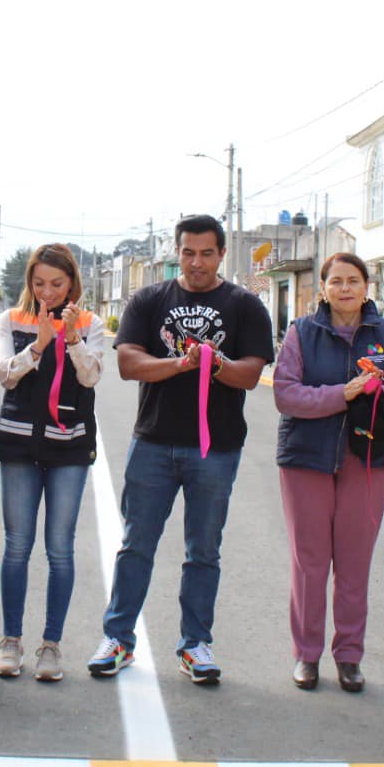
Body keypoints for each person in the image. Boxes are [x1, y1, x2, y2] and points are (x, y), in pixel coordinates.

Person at [88, 214, 273, 684]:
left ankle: (196, 645)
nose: (196, 263)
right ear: (177, 253)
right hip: (152, 442)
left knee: (203, 552)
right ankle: (118, 638)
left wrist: (212, 365)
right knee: (136, 546)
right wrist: (179, 363)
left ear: (221, 254)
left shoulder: (245, 305)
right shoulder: (150, 299)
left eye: (206, 253)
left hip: (216, 449)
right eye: (188, 253)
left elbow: (251, 373)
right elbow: (129, 363)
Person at [274, 252, 384, 692]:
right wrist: (344, 393)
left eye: (354, 280)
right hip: (305, 459)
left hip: (366, 460)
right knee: (309, 563)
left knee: (354, 565)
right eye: (336, 281)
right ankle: (307, 655)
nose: (346, 289)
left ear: (367, 287)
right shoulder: (301, 333)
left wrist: (377, 392)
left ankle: (349, 656)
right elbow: (286, 394)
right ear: (323, 289)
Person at [0, 243, 105, 682]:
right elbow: (5, 375)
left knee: (60, 548)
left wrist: (71, 338)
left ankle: (51, 645)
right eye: (39, 283)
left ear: (72, 283)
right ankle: (10, 640)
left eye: (56, 284)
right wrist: (37, 345)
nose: (48, 292)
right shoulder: (10, 320)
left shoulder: (91, 324)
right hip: (19, 444)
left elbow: (90, 376)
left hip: (69, 446)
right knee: (17, 545)